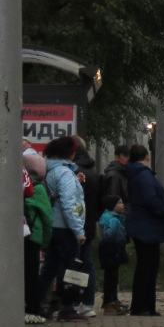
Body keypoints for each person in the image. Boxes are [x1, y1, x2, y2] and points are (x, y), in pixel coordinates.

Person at [35, 136, 90, 322]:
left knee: (50, 268)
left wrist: (76, 181)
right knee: (70, 268)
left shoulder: (49, 170)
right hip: (65, 228)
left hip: (53, 226)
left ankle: (36, 305)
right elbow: (68, 204)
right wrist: (78, 230)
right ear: (70, 153)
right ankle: (68, 307)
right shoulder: (65, 173)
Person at [125, 145, 164, 317]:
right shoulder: (143, 175)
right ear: (147, 157)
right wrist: (163, 210)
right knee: (147, 267)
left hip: (143, 226)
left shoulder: (136, 174)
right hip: (148, 227)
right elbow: (150, 198)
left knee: (148, 266)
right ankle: (142, 306)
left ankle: (146, 306)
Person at [72, 136, 101, 317]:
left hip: (75, 224)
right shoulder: (92, 171)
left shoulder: (74, 172)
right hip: (89, 223)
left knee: (74, 263)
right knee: (87, 263)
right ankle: (88, 302)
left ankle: (74, 301)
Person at [23, 154, 53, 324]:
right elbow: (47, 218)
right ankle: (32, 310)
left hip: (16, 235)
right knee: (32, 274)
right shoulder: (39, 190)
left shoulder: (14, 187)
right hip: (33, 235)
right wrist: (46, 241)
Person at [98, 194, 130, 315]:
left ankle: (113, 299)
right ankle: (109, 302)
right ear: (112, 206)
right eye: (119, 203)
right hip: (112, 248)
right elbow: (108, 234)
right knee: (111, 276)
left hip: (114, 248)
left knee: (113, 275)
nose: (123, 205)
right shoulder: (113, 220)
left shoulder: (117, 217)